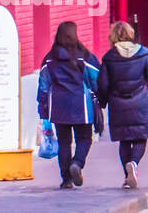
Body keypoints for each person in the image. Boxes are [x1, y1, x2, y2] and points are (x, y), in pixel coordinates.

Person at [38, 21, 101, 189]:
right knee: (84, 139)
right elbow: (96, 79)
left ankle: (66, 179)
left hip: (58, 106)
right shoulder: (84, 56)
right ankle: (77, 163)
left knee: (64, 142)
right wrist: (100, 98)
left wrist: (43, 108)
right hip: (81, 106)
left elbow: (43, 85)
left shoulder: (49, 59)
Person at [97, 21, 148, 190]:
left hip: (118, 104)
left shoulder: (109, 58)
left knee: (124, 141)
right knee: (140, 137)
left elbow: (102, 84)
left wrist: (102, 102)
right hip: (140, 102)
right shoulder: (142, 54)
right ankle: (134, 163)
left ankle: (127, 177)